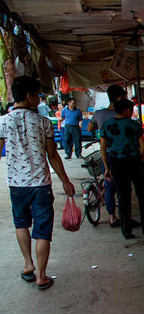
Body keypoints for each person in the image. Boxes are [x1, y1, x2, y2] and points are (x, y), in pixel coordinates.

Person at [0, 76, 75, 290]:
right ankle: (41, 276)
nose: (38, 99)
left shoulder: (3, 122)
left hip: (16, 185)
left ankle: (28, 265)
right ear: (28, 96)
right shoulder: (43, 123)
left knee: (21, 223)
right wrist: (65, 181)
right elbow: (53, 156)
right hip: (41, 185)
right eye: (36, 95)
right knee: (42, 229)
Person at [100, 99, 144, 239]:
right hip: (134, 161)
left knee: (123, 196)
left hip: (116, 163)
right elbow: (143, 146)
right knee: (141, 195)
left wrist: (106, 167)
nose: (131, 113)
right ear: (127, 110)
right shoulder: (133, 125)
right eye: (131, 110)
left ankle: (126, 230)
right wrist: (140, 158)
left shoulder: (107, 125)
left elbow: (103, 149)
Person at [87, 84, 126, 228]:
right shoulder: (123, 115)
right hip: (121, 155)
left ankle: (112, 217)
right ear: (120, 97)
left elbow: (89, 128)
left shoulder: (99, 114)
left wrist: (100, 125)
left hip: (107, 154)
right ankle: (124, 218)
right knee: (122, 186)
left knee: (109, 184)